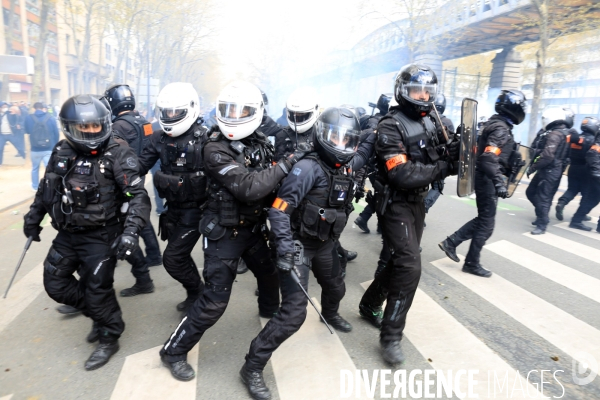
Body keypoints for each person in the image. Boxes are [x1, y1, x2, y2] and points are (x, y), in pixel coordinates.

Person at [159, 81, 307, 382]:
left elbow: (272, 179)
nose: (235, 117)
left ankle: (268, 311)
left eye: (242, 111)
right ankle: (173, 351)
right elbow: (248, 187)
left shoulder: (260, 140)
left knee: (268, 274)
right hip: (223, 235)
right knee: (214, 302)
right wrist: (289, 162)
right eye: (229, 110)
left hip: (252, 229)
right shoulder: (213, 147)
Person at [241, 107, 375, 399]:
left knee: (336, 287)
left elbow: (366, 146)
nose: (340, 145)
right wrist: (286, 250)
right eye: (334, 138)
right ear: (321, 135)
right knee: (292, 314)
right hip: (298, 245)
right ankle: (251, 366)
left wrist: (378, 129)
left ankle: (330, 314)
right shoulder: (307, 168)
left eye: (346, 140)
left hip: (325, 243)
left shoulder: (348, 165)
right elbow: (278, 212)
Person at [22, 94, 151, 370]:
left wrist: (130, 233)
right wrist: (33, 221)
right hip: (68, 234)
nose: (91, 132)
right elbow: (46, 190)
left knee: (97, 290)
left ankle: (109, 335)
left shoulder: (118, 152)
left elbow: (138, 196)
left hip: (103, 236)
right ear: (70, 128)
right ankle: (99, 312)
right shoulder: (61, 151)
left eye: (96, 126)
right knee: (55, 284)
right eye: (84, 127)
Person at [358, 64, 459, 364]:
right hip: (395, 202)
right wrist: (443, 166)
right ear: (403, 91)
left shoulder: (432, 121)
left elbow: (440, 154)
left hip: (417, 204)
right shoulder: (390, 125)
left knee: (401, 262)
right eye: (418, 90)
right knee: (410, 267)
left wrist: (455, 152)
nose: (424, 95)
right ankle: (390, 336)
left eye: (429, 90)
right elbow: (400, 173)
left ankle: (369, 304)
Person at [438, 89, 527, 277]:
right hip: (488, 178)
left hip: (487, 177)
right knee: (486, 223)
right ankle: (470, 261)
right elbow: (488, 158)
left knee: (484, 220)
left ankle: (452, 243)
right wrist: (499, 183)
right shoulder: (500, 128)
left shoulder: (497, 124)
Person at [138, 82, 207, 313]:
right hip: (172, 208)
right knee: (180, 255)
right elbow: (137, 166)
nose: (171, 116)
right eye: (167, 112)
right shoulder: (158, 138)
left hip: (199, 210)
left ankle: (198, 292)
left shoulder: (206, 139)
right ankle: (195, 292)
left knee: (173, 258)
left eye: (176, 112)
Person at [104, 84, 163, 271]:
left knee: (128, 215)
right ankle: (153, 253)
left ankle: (140, 263)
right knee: (139, 212)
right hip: (139, 172)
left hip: (124, 176)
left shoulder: (117, 126)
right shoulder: (143, 121)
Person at [526, 107, 572, 234]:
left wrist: (533, 167)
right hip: (550, 169)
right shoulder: (561, 132)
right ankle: (542, 215)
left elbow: (547, 155)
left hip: (550, 170)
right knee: (531, 192)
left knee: (543, 198)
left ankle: (542, 224)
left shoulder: (555, 134)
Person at [354, 93, 392, 234]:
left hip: (374, 165)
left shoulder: (373, 119)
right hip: (376, 165)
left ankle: (365, 218)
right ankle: (374, 222)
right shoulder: (383, 122)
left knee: (382, 193)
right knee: (385, 193)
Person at [555, 117, 597, 222]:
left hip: (573, 168)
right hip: (586, 170)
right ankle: (581, 215)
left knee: (572, 189)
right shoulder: (592, 140)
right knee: (586, 194)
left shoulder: (576, 137)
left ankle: (561, 203)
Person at [424, 93, 454, 215]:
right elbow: (451, 142)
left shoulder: (424, 118)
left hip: (422, 157)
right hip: (438, 160)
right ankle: (422, 209)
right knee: (437, 187)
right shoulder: (447, 121)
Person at [569, 117, 600, 231]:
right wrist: (597, 172)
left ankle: (576, 220)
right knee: (592, 198)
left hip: (594, 170)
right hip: (596, 171)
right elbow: (593, 153)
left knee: (593, 198)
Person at [23, 102, 60, 189]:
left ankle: (35, 186)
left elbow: (27, 131)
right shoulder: (51, 118)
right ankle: (50, 186)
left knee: (35, 168)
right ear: (43, 108)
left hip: (35, 149)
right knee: (49, 168)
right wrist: (54, 145)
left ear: (34, 108)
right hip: (48, 148)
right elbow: (56, 133)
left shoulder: (28, 118)